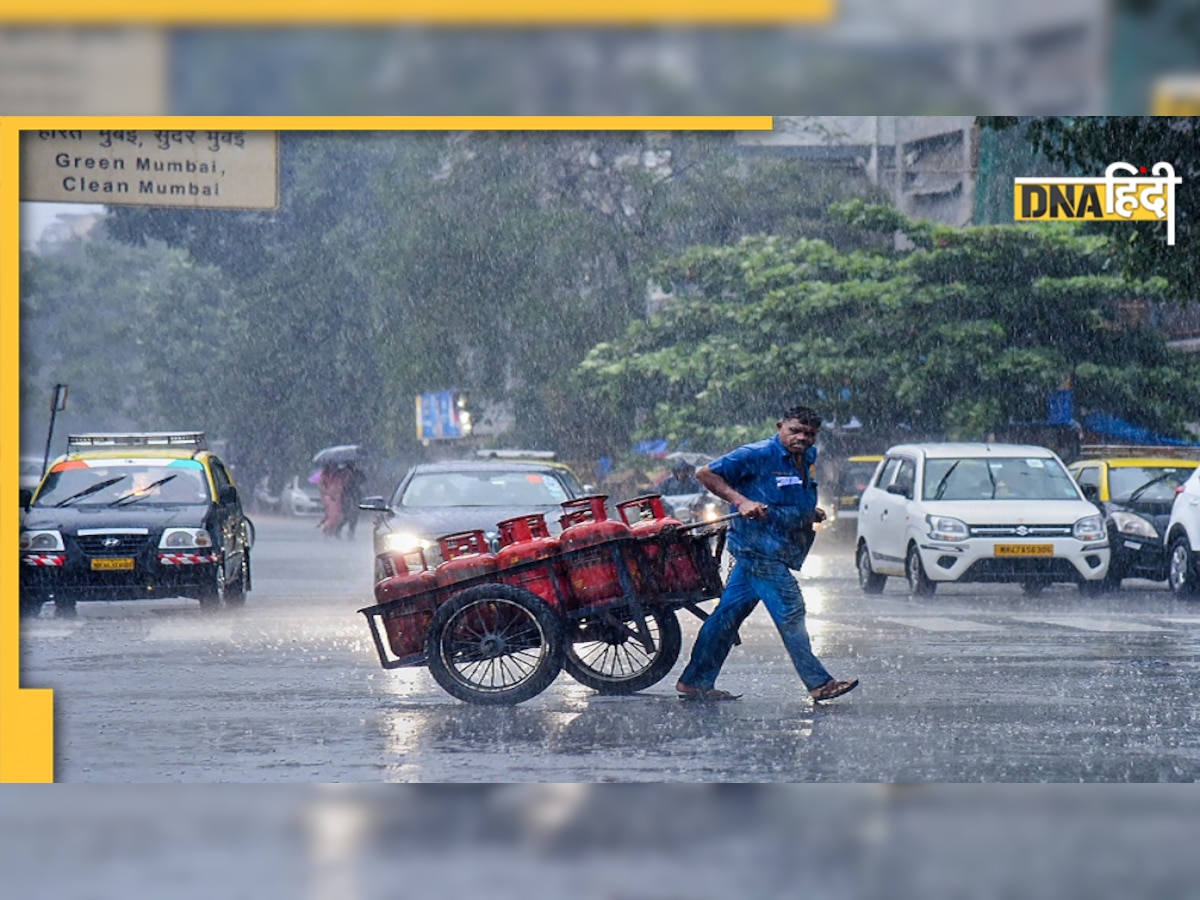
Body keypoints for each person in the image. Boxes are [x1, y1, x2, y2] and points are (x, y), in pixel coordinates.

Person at [675, 405, 859, 704]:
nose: (801, 438)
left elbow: (790, 491)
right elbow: (706, 473)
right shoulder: (756, 454)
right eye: (794, 431)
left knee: (726, 616)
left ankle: (694, 681)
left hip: (776, 547)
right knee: (791, 609)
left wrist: (806, 511)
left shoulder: (808, 457)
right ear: (779, 427)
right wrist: (741, 501)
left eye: (809, 434)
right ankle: (819, 683)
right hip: (757, 549)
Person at [336, 462, 367, 540]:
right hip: (347, 495)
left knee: (354, 516)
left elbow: (363, 480)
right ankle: (338, 529)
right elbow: (341, 483)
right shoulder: (343, 473)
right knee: (346, 515)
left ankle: (350, 533)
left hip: (355, 495)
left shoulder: (358, 472)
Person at [318, 464, 347, 538]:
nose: (334, 468)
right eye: (333, 466)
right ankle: (327, 530)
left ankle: (329, 530)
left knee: (340, 517)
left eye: (335, 466)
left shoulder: (338, 476)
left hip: (337, 497)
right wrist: (327, 491)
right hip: (329, 497)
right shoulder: (324, 475)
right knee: (334, 516)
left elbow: (343, 483)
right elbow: (320, 486)